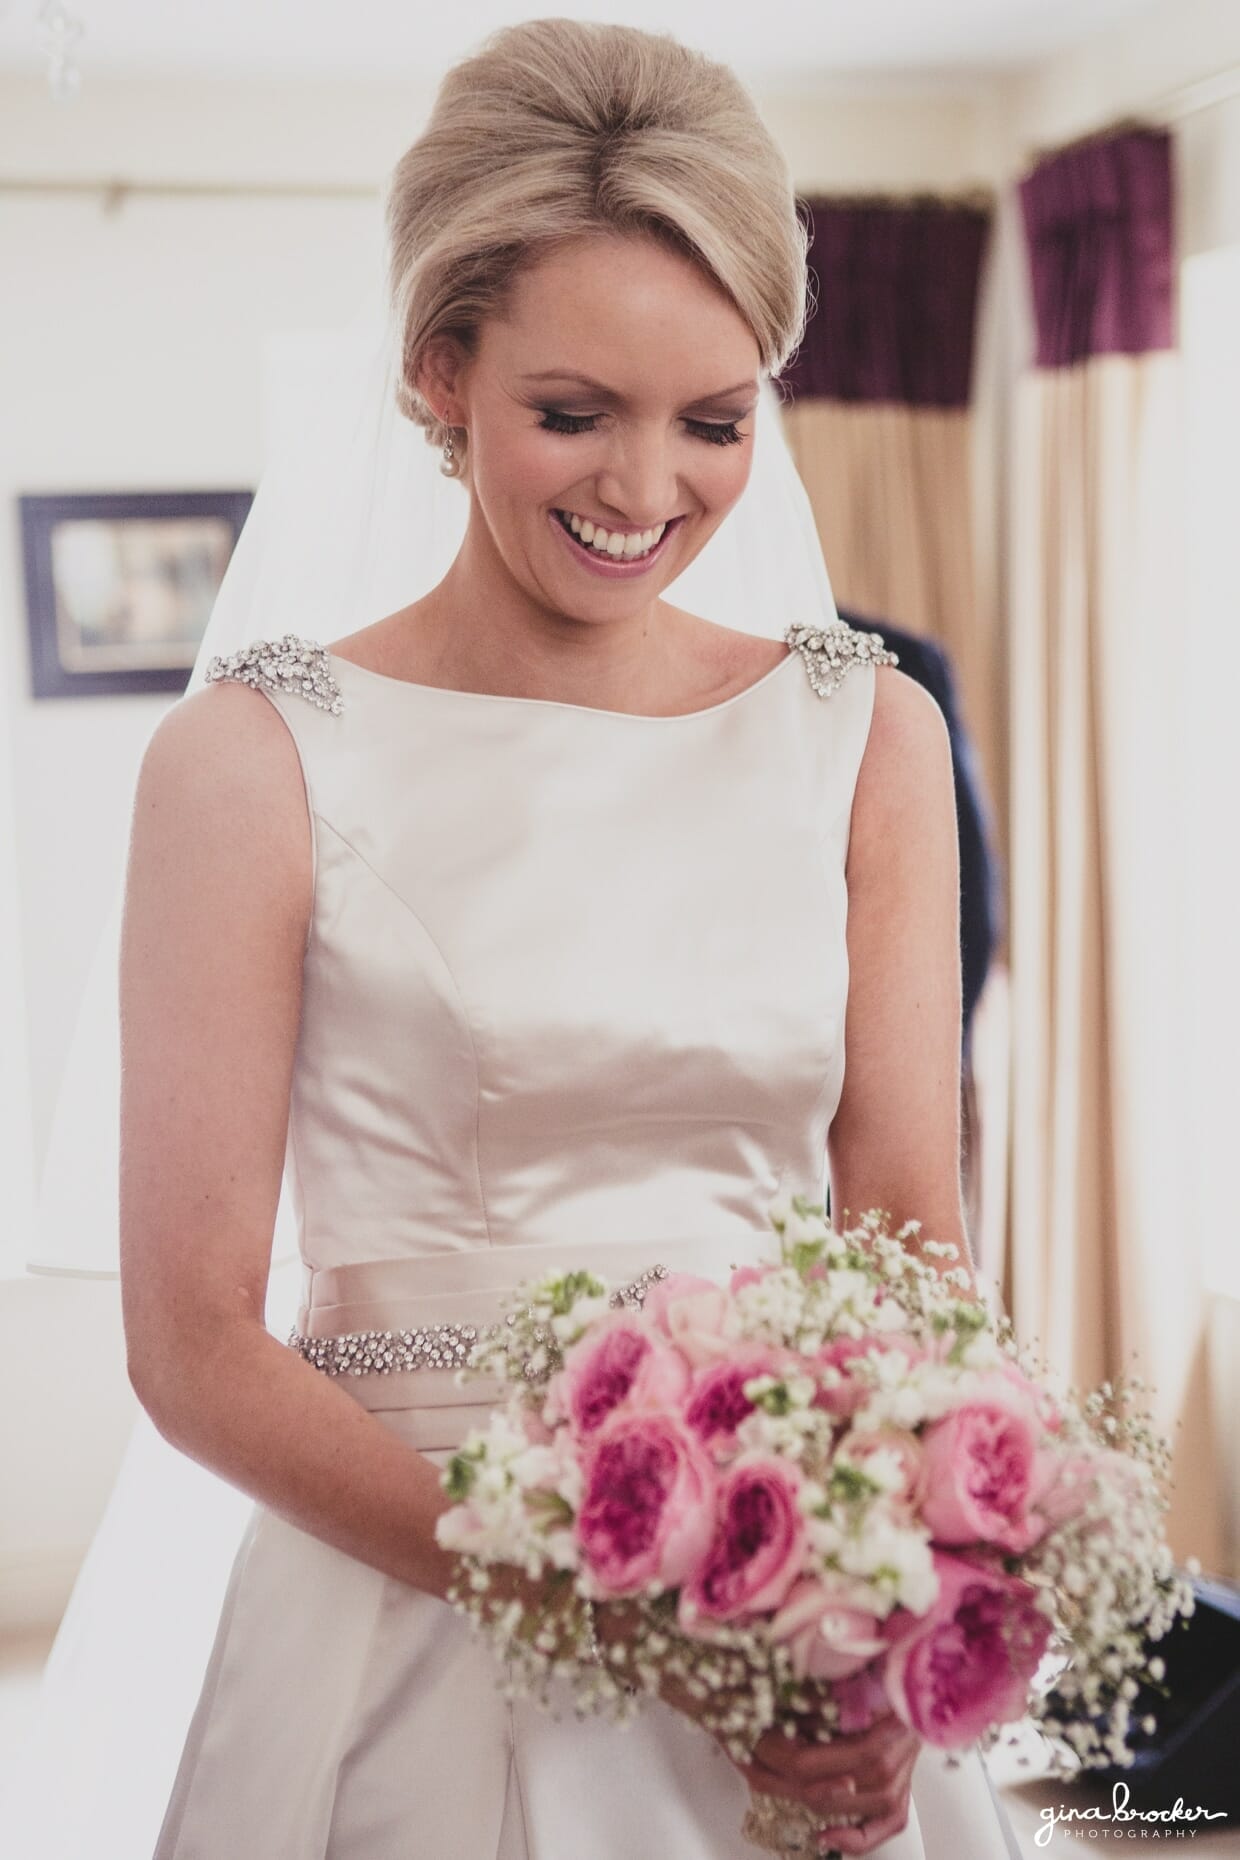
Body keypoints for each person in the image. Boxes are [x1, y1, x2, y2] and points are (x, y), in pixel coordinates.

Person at [29, 19, 1024, 1858]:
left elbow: (906, 1242)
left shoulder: (865, 731)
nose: (646, 492)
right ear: (436, 372)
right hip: (407, 1617)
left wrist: (888, 1616)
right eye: (575, 413)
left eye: (715, 422)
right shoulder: (252, 764)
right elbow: (189, 1341)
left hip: (787, 1615)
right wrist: (585, 1600)